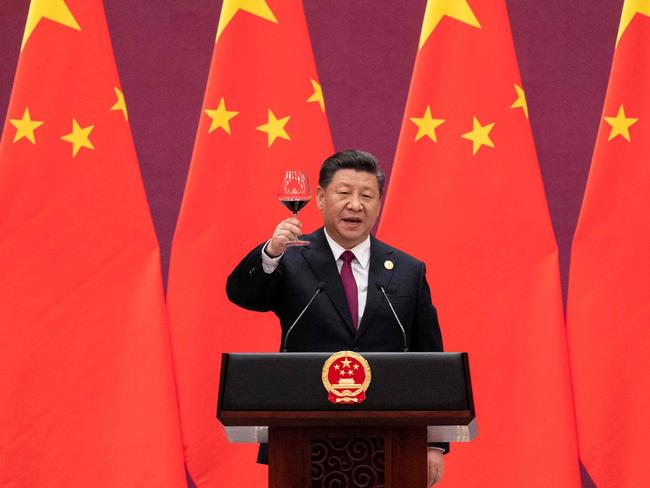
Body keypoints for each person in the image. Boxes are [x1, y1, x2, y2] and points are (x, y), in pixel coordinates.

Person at [226, 149, 446, 486]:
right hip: (303, 436)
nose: (355, 204)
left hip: (391, 438)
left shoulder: (407, 270)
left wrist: (434, 444)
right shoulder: (291, 258)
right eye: (344, 193)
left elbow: (430, 359)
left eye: (367, 195)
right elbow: (242, 295)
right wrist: (270, 253)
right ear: (320, 197)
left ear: (378, 204)